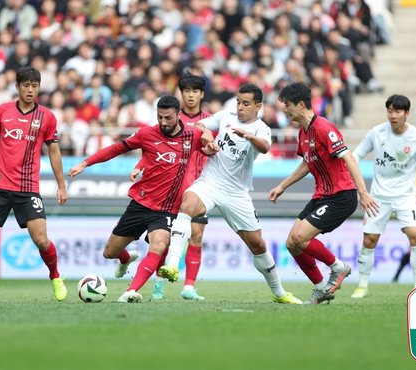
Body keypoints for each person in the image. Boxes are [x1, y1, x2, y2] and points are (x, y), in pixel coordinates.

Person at [158, 83, 303, 305]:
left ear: (258, 106)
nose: (240, 107)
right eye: (238, 102)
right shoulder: (226, 116)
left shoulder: (261, 128)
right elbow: (196, 124)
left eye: (246, 104)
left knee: (258, 245)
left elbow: (264, 147)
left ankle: (279, 292)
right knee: (187, 204)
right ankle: (172, 264)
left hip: (237, 193)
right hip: (211, 182)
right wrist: (206, 134)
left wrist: (249, 136)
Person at [68, 95, 217, 303]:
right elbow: (116, 148)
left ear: (178, 115)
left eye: (168, 118)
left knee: (158, 245)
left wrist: (210, 142)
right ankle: (126, 258)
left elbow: (209, 139)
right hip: (140, 204)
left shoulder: (191, 136)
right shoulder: (147, 134)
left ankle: (131, 291)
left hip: (167, 210)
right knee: (110, 252)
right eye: (160, 117)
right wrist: (85, 163)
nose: (163, 122)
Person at [267, 82, 378, 305]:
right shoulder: (303, 132)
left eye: (287, 105)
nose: (285, 110)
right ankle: (320, 288)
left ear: (300, 105)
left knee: (300, 237)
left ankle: (338, 267)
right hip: (322, 196)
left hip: (341, 195)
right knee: (291, 243)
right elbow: (307, 164)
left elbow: (349, 158)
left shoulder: (324, 128)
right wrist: (283, 186)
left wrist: (363, 192)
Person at [0, 66, 68, 303]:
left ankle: (55, 276)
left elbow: (53, 151)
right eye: (26, 85)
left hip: (27, 188)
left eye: (35, 86)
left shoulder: (47, 117)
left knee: (41, 240)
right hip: (0, 185)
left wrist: (61, 184)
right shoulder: (1, 112)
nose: (31, 90)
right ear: (17, 87)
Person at [130, 75, 211, 301]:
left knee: (196, 235)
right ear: (181, 94)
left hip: (200, 188)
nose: (191, 95)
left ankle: (189, 287)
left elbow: (214, 147)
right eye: (186, 91)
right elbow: (151, 148)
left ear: (201, 94)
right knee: (164, 237)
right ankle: (159, 283)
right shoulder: (171, 119)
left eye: (195, 91)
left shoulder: (210, 120)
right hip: (172, 188)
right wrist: (139, 165)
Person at [351, 94, 416, 299]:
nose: (393, 115)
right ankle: (362, 286)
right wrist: (361, 190)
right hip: (378, 196)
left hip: (405, 197)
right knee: (369, 240)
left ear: (406, 113)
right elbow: (354, 157)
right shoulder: (376, 133)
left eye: (397, 111)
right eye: (389, 110)